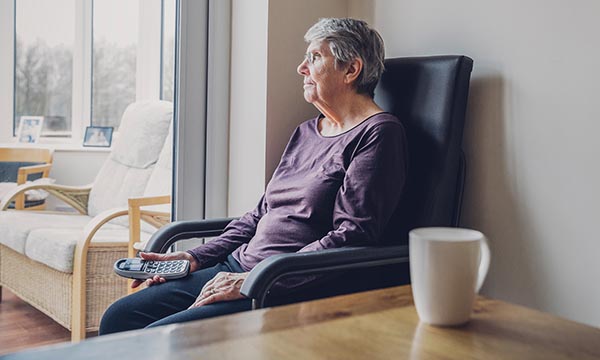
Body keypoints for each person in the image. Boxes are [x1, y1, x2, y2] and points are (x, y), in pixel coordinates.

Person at [99, 17, 407, 335]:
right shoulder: (306, 131)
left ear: (350, 70)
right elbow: (260, 214)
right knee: (119, 317)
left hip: (286, 284)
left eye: (315, 57)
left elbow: (353, 235)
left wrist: (256, 278)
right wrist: (193, 257)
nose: (302, 68)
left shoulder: (378, 133)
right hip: (240, 267)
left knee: (162, 338)